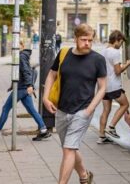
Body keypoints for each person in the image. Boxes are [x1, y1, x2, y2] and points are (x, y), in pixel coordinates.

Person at [42, 24, 107, 184]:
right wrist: (45, 98)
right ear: (76, 38)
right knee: (69, 147)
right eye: (84, 40)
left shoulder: (98, 59)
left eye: (90, 40)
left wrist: (90, 109)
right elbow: (51, 75)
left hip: (82, 111)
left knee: (68, 149)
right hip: (62, 109)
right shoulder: (64, 54)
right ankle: (84, 175)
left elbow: (102, 87)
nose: (87, 43)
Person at [0, 40, 52, 142]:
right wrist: (13, 85)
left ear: (22, 45)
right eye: (14, 46)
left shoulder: (22, 56)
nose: (15, 47)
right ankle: (43, 129)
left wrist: (29, 85)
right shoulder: (22, 55)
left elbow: (26, 71)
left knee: (6, 108)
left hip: (22, 88)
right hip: (23, 87)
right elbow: (20, 72)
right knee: (31, 110)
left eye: (18, 45)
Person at [97, 30, 130, 144]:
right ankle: (111, 127)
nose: (121, 45)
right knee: (125, 104)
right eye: (121, 42)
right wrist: (127, 64)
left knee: (105, 110)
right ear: (117, 40)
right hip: (114, 85)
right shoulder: (115, 52)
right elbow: (118, 71)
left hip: (104, 86)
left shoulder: (103, 51)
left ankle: (101, 136)